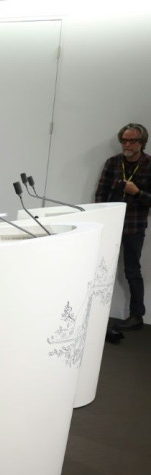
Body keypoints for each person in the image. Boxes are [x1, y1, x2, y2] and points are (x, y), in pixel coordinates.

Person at [95, 123, 151, 331]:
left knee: (132, 270)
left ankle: (137, 315)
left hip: (133, 227)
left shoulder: (148, 165)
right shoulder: (112, 163)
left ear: (142, 142)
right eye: (124, 140)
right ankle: (97, 311)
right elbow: (100, 194)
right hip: (109, 225)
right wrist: (101, 218)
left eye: (132, 140)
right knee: (100, 268)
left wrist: (137, 192)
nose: (127, 144)